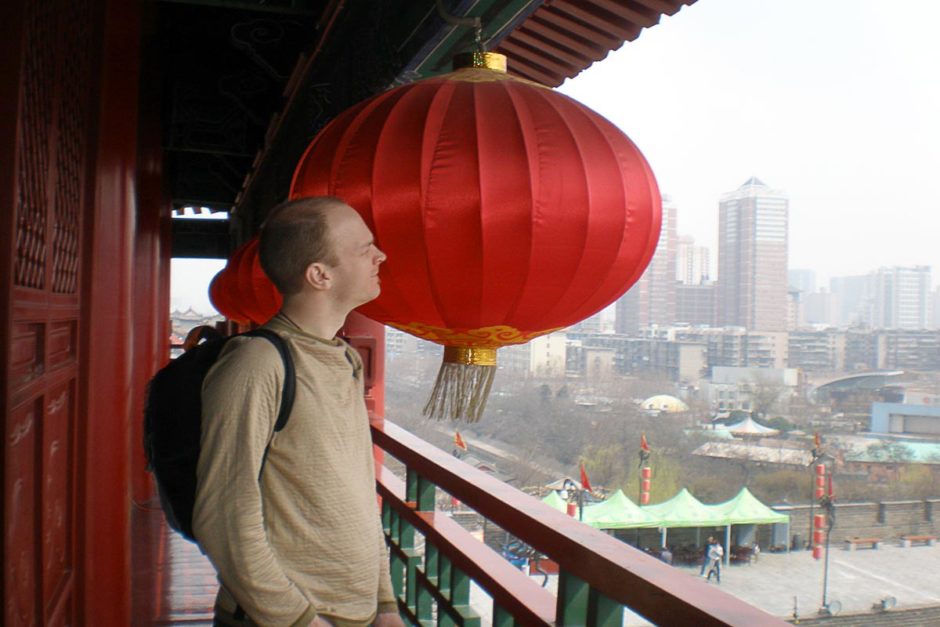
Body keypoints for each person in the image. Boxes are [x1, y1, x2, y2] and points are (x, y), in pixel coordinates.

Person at [193, 196, 403, 627]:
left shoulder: (345, 359)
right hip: (285, 617)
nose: (380, 255)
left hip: (353, 612)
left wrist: (384, 603)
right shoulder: (256, 364)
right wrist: (297, 618)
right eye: (365, 248)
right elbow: (223, 515)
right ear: (319, 275)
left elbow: (359, 491)